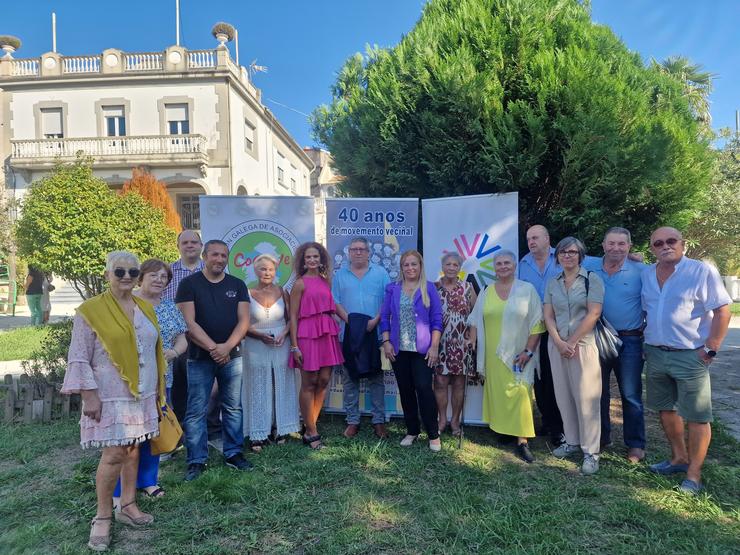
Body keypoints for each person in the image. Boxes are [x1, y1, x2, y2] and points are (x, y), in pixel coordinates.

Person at [61, 251, 167, 552]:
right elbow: (79, 355)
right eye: (119, 271)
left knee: (133, 449)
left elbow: (153, 349)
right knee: (114, 454)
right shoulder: (91, 310)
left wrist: (158, 389)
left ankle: (129, 505)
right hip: (110, 393)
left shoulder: (144, 307)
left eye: (133, 272)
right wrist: (89, 394)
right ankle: (103, 516)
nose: (126, 277)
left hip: (143, 391)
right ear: (108, 274)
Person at [642, 227, 732, 495]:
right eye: (658, 243)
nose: (665, 246)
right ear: (652, 248)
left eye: (671, 241)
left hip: (690, 355)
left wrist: (712, 347)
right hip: (656, 353)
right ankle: (678, 458)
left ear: (682, 244)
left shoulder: (700, 271)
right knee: (665, 409)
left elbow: (722, 311)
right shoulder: (647, 273)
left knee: (697, 416)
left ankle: (693, 474)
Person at [176, 239, 252, 481]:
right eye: (214, 255)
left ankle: (234, 453)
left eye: (223, 256)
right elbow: (188, 323)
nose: (219, 259)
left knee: (232, 407)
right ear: (205, 256)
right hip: (200, 357)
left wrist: (227, 347)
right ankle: (196, 460)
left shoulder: (237, 284)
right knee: (196, 409)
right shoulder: (189, 284)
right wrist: (214, 348)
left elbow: (244, 321)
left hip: (233, 355)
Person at [467, 250, 544, 463]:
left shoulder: (527, 290)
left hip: (520, 354)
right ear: (495, 267)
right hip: (492, 354)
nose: (503, 266)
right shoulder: (486, 290)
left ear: (514, 265)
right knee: (499, 392)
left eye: (507, 263)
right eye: (499, 263)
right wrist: (472, 339)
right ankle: (504, 430)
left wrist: (528, 351)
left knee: (521, 392)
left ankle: (522, 440)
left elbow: (538, 323)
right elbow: (474, 318)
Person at [583, 227, 647, 462]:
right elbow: (565, 252)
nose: (616, 248)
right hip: (597, 336)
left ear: (630, 246)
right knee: (597, 392)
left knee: (630, 394)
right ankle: (601, 438)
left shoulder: (641, 271)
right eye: (611, 243)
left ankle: (636, 444)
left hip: (629, 339)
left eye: (622, 244)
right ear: (602, 245)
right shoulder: (589, 265)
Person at [543, 237, 604, 475]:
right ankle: (571, 440)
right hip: (557, 347)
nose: (567, 256)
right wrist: (559, 342)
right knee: (564, 395)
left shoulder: (592, 280)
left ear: (581, 255)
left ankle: (591, 452)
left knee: (586, 398)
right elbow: (547, 315)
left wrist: (571, 341)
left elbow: (594, 314)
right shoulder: (553, 282)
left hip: (583, 346)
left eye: (572, 252)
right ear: (557, 257)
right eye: (562, 253)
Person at [380, 250, 443, 452]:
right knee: (405, 391)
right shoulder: (393, 289)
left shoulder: (429, 288)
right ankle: (412, 431)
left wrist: (434, 346)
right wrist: (387, 341)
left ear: (420, 266)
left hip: (423, 350)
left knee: (424, 389)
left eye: (414, 264)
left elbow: (437, 320)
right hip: (399, 350)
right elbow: (384, 318)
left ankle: (433, 434)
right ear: (401, 268)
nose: (410, 268)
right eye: (406, 265)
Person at [332, 237, 391, 439]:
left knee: (377, 378)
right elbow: (335, 302)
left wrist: (375, 321)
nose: (358, 252)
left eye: (362, 249)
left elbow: (387, 300)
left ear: (368, 253)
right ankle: (352, 420)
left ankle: (379, 421)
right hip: (348, 333)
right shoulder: (340, 275)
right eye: (354, 249)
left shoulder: (381, 273)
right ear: (349, 253)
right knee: (350, 379)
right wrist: (352, 322)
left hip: (375, 333)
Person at [289, 242, 344, 450]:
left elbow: (333, 306)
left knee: (323, 380)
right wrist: (294, 346)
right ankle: (312, 432)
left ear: (321, 259)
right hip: (307, 334)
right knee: (309, 382)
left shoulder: (326, 280)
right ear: (303, 261)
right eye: (308, 257)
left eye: (315, 257)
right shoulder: (300, 284)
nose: (312, 260)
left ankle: (310, 424)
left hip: (326, 332)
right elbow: (293, 316)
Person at [242, 254, 300, 451]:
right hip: (255, 343)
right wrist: (258, 335)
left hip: (280, 343)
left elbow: (292, 318)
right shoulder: (247, 293)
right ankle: (258, 432)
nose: (267, 273)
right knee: (257, 384)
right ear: (255, 271)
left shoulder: (283, 292)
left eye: (270, 269)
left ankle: (281, 427)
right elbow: (240, 323)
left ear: (275, 271)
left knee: (280, 382)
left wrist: (284, 334)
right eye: (262, 269)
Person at [517, 225, 564, 445]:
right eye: (528, 239)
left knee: (557, 379)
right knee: (538, 378)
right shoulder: (522, 265)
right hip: (534, 330)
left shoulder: (563, 257)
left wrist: (631, 257)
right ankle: (546, 421)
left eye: (535, 237)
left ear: (547, 238)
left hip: (560, 330)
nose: (531, 242)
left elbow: (599, 261)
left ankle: (559, 427)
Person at [162, 230, 205, 426]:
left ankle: (209, 429)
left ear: (201, 246)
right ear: (178, 246)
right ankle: (179, 432)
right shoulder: (167, 273)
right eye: (185, 242)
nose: (190, 245)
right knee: (179, 387)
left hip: (206, 338)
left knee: (206, 388)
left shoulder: (211, 270)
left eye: (194, 242)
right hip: (178, 340)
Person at [433, 252, 477, 437]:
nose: (451, 267)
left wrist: (473, 338)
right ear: (442, 267)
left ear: (460, 268)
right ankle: (442, 419)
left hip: (461, 342)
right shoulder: (433, 288)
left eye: (455, 264)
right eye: (448, 264)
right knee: (440, 382)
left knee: (459, 383)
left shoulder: (467, 287)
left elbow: (476, 315)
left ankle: (455, 421)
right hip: (439, 342)